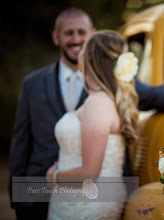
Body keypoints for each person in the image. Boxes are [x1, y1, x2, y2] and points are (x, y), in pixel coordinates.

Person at [8, 7, 164, 220]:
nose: (76, 40)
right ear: (57, 37)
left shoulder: (109, 94)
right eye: (69, 33)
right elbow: (21, 142)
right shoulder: (33, 84)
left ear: (91, 38)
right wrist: (17, 196)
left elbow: (154, 93)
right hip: (38, 194)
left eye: (81, 34)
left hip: (85, 198)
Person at [45, 29, 138, 219]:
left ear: (91, 58)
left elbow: (89, 173)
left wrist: (53, 178)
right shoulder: (101, 100)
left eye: (84, 47)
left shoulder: (98, 104)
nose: (79, 51)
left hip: (84, 206)